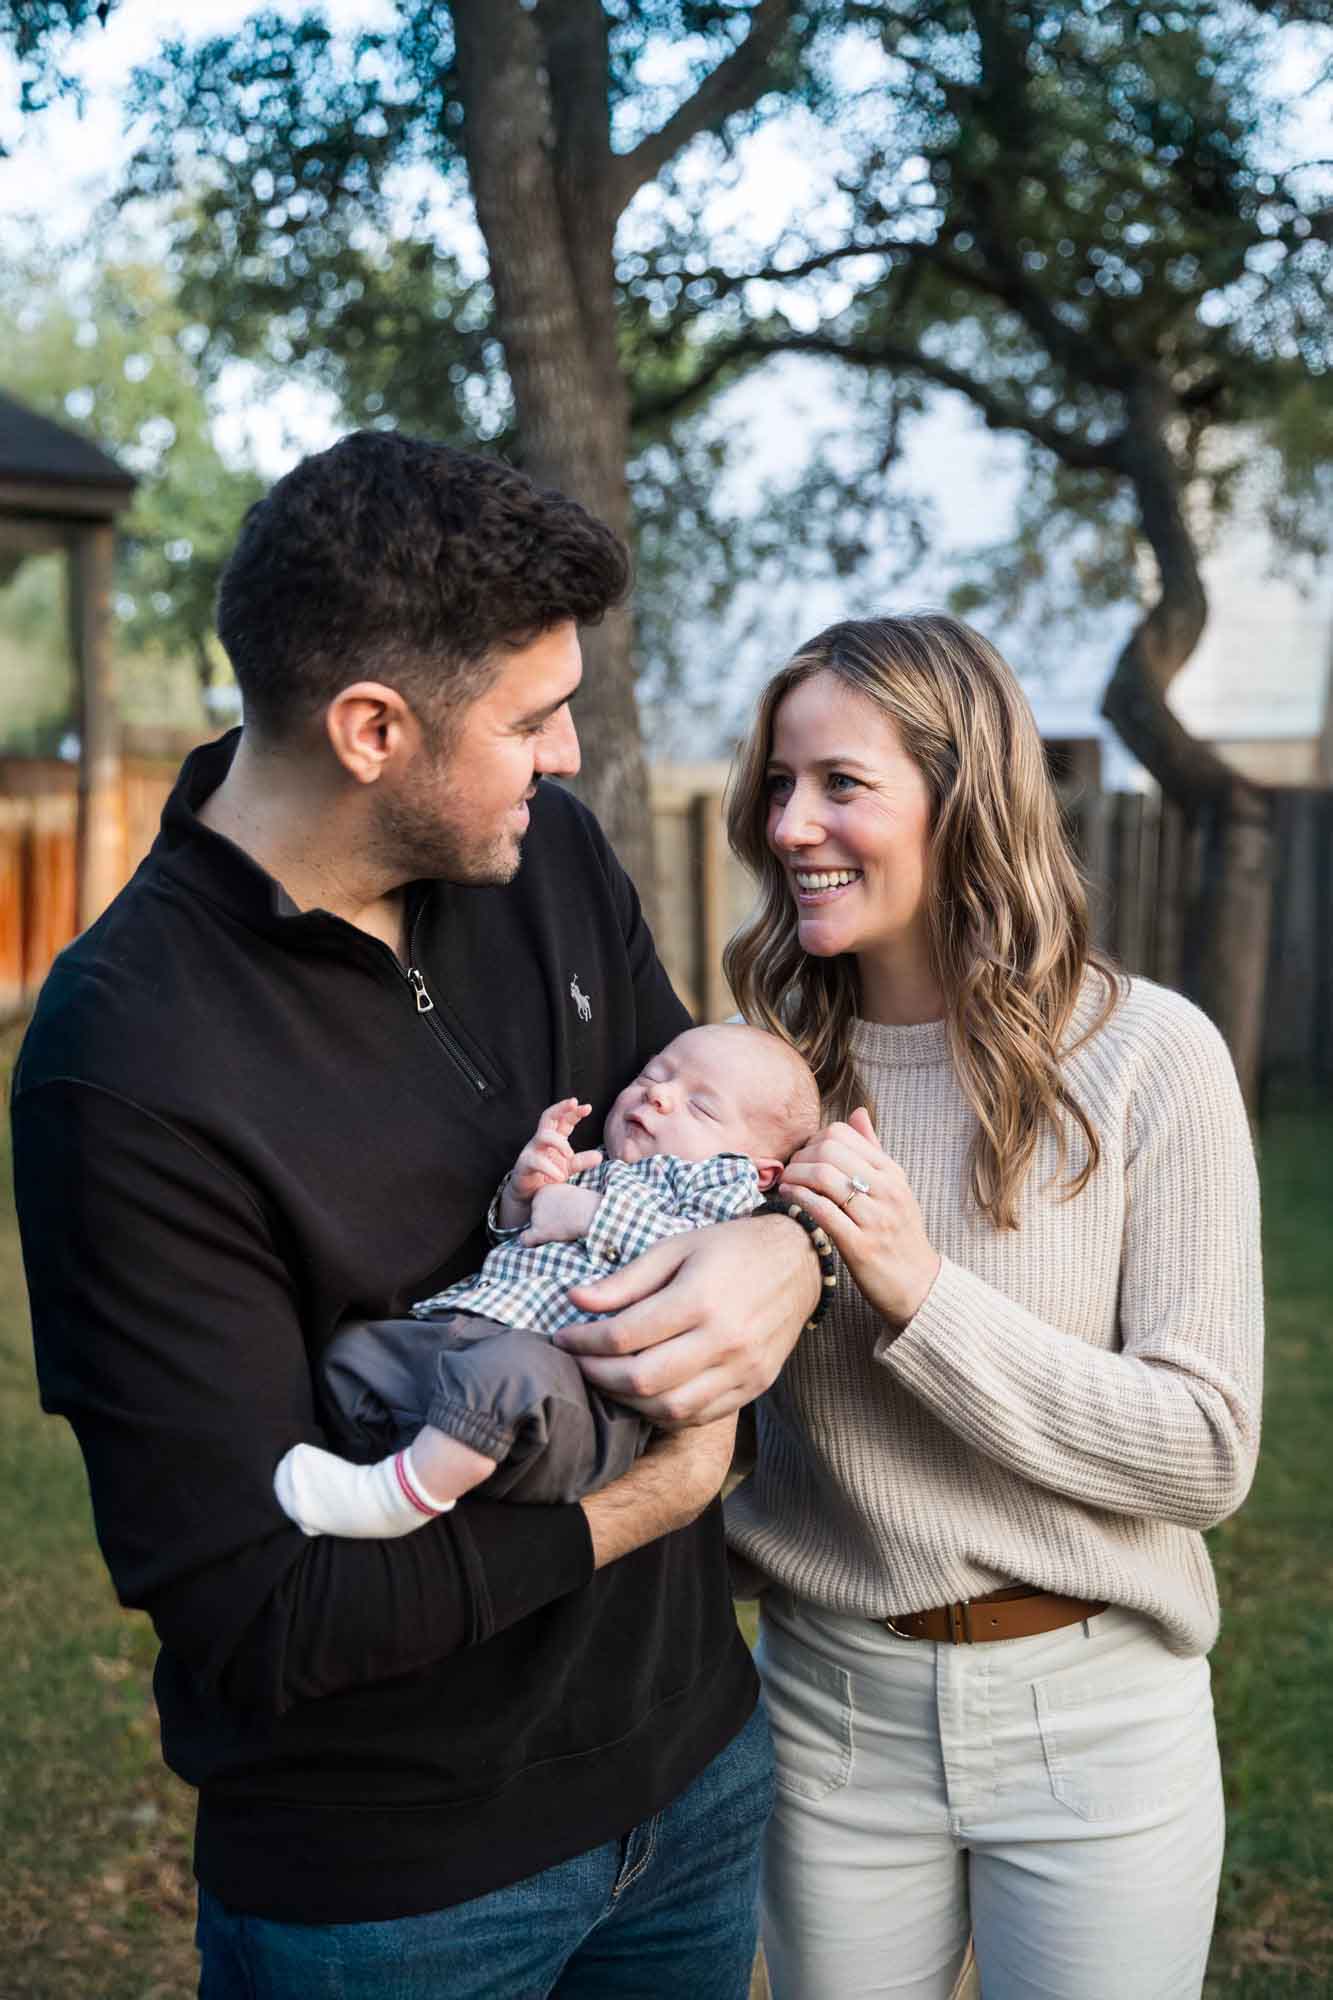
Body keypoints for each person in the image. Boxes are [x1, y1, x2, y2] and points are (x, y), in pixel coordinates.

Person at [11, 431, 827, 1999]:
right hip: (398, 1898)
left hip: (695, 1779)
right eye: (535, 719)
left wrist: (781, 1256)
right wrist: (649, 1504)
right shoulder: (124, 1060)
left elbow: (723, 1153)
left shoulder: (551, 862)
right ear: (373, 728)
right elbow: (258, 1604)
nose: (572, 756)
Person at [721, 613, 1263, 2000]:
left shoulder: (1149, 1059)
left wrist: (918, 1294)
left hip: (1097, 1722)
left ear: (964, 798)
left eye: (841, 784)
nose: (791, 825)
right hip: (831, 1714)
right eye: (779, 786)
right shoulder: (765, 1085)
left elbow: (1204, 1448)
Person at [275, 1022, 821, 1531]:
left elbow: (689, 1259)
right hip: (468, 1328)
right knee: (353, 1352)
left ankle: (397, 1501)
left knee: (505, 1378)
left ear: (758, 1168)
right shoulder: (596, 1164)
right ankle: (363, 1466)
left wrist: (588, 1215)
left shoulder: (722, 1193)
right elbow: (515, 1246)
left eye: (700, 1107)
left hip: (574, 1384)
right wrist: (522, 1195)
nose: (659, 1095)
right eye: (653, 1075)